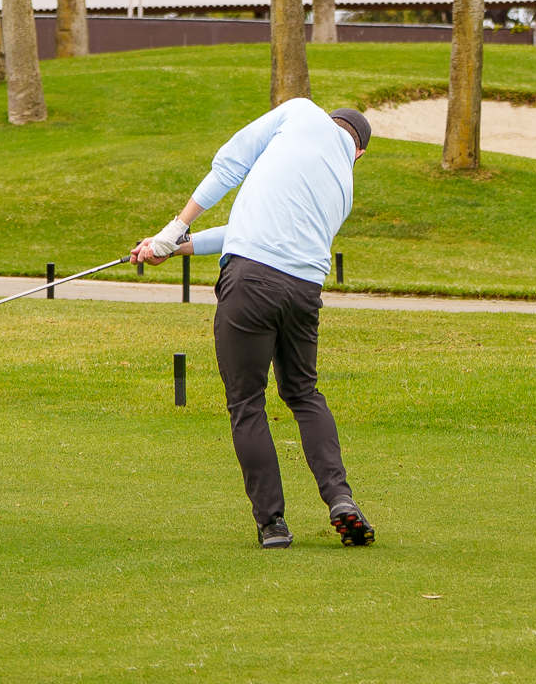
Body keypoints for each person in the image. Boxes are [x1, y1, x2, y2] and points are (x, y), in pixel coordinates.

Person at [132, 98, 376, 549]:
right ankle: (339, 497)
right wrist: (175, 247)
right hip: (304, 292)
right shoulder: (344, 185)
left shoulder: (300, 112)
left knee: (247, 402)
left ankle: (272, 524)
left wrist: (174, 227)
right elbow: (244, 226)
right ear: (358, 152)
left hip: (250, 281)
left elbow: (230, 165)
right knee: (303, 393)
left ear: (331, 120)